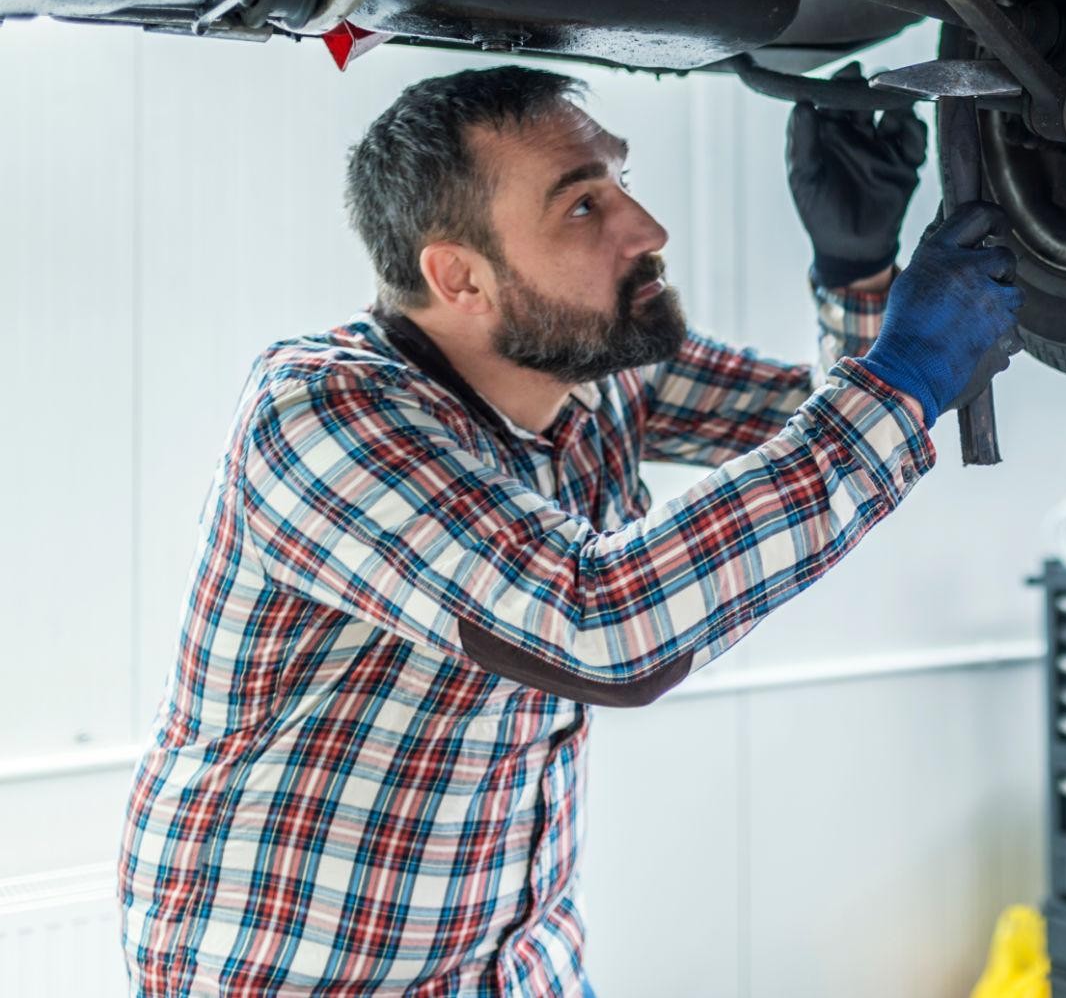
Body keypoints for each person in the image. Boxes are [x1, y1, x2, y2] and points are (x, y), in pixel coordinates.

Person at [117, 67, 1020, 996]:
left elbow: (825, 434)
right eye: (582, 207)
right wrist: (902, 373)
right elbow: (599, 624)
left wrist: (855, 268)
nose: (648, 230)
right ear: (459, 275)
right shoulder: (321, 412)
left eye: (618, 181)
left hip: (519, 964)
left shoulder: (594, 371)